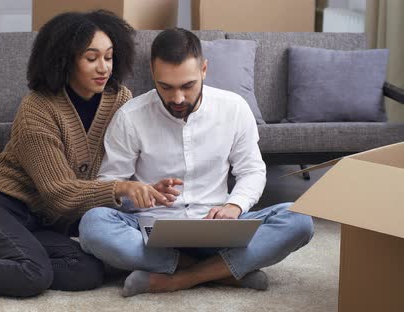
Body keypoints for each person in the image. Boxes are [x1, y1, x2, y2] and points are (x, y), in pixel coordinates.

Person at [0, 10, 169, 297]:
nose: (103, 68)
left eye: (109, 57)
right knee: (33, 274)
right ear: (65, 60)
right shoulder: (37, 108)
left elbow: (134, 153)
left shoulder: (120, 99)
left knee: (87, 271)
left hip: (43, 222)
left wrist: (152, 186)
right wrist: (121, 188)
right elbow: (59, 194)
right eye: (91, 58)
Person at [78, 28, 315, 297]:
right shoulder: (130, 117)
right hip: (153, 233)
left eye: (187, 86)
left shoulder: (234, 108)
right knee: (92, 225)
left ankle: (181, 278)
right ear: (153, 73)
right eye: (166, 87)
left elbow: (251, 170)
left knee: (300, 219)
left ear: (204, 69)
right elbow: (107, 186)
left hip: (219, 226)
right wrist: (136, 193)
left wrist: (234, 206)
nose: (177, 98)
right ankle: (224, 273)